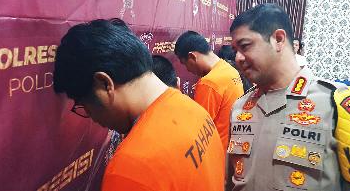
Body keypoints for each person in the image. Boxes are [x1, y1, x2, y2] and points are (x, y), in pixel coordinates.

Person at [53, 19, 224, 191]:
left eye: (85, 107)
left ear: (105, 84)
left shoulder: (131, 167)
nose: (93, 119)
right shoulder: (193, 108)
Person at [227, 3, 350, 191]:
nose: (238, 58)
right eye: (235, 50)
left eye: (245, 46)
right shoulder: (241, 107)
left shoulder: (337, 102)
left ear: (278, 39)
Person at [174, 31, 244, 152]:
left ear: (192, 57)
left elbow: (197, 130)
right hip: (233, 149)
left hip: (217, 155)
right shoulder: (229, 69)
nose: (188, 70)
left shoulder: (209, 83)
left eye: (185, 64)